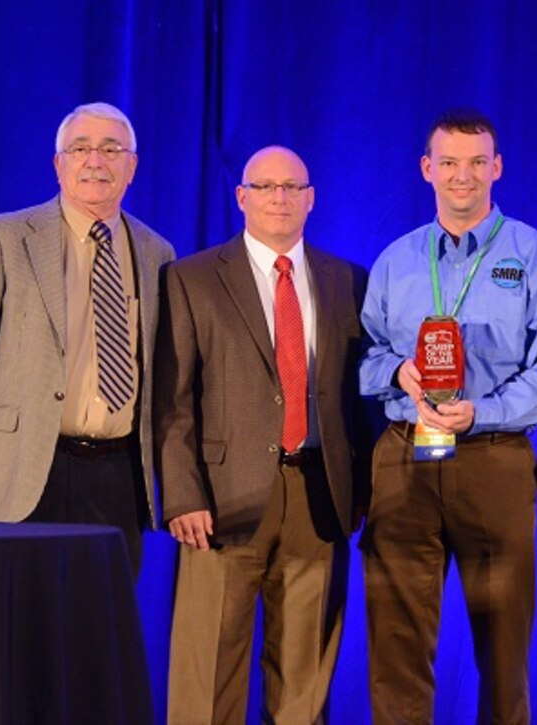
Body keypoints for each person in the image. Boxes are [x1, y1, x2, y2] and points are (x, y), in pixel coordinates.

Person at [359, 109, 537, 724]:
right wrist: (397, 372)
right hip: (405, 456)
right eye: (450, 162)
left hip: (494, 459)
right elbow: (364, 357)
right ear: (427, 169)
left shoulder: (536, 257)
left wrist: (483, 411)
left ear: (497, 168)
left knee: (505, 644)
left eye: (478, 162)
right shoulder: (396, 261)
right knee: (396, 641)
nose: (464, 175)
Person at [154, 146, 368, 724]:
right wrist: (183, 495)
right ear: (241, 196)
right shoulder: (192, 278)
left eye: (292, 187)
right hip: (219, 504)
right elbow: (172, 402)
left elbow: (359, 398)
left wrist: (361, 491)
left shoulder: (348, 280)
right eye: (266, 187)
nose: (280, 198)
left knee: (303, 684)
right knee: (207, 678)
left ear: (311, 199)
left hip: (319, 497)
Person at [0, 102, 175, 572]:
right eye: (80, 149)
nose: (95, 161)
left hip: (117, 477)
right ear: (59, 164)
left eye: (111, 149)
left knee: (100, 614)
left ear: (132, 166)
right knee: (16, 611)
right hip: (21, 470)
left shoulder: (157, 253)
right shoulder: (3, 237)